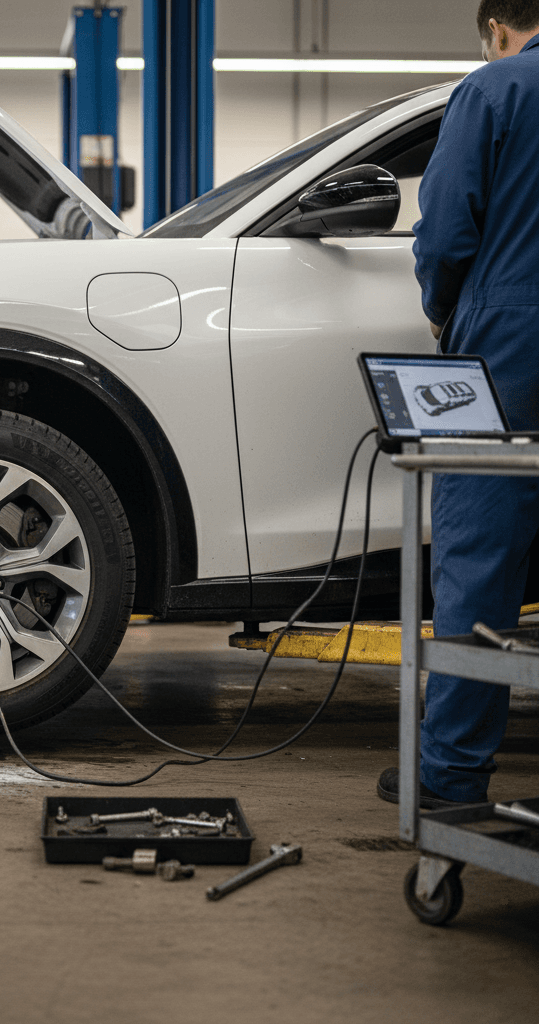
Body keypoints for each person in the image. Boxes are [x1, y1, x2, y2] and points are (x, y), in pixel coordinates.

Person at [378, 0, 539, 808]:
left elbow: (443, 233)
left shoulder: (495, 89)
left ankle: (449, 777)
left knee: (479, 557)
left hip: (512, 349)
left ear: (501, 27)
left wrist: (450, 312)